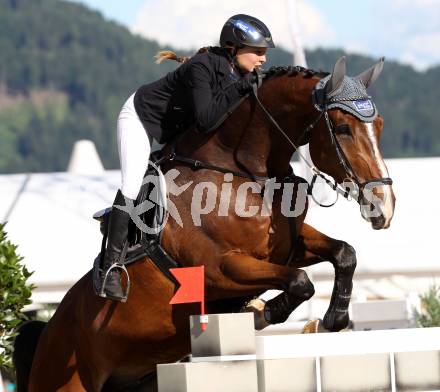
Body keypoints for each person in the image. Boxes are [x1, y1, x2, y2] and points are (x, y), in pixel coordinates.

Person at [99, 14, 275, 301]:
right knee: (132, 185)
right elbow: (206, 119)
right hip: (141, 119)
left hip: (177, 132)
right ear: (233, 48)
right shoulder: (203, 66)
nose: (262, 60)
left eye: (264, 54)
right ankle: (110, 267)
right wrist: (243, 88)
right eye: (257, 52)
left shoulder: (238, 73)